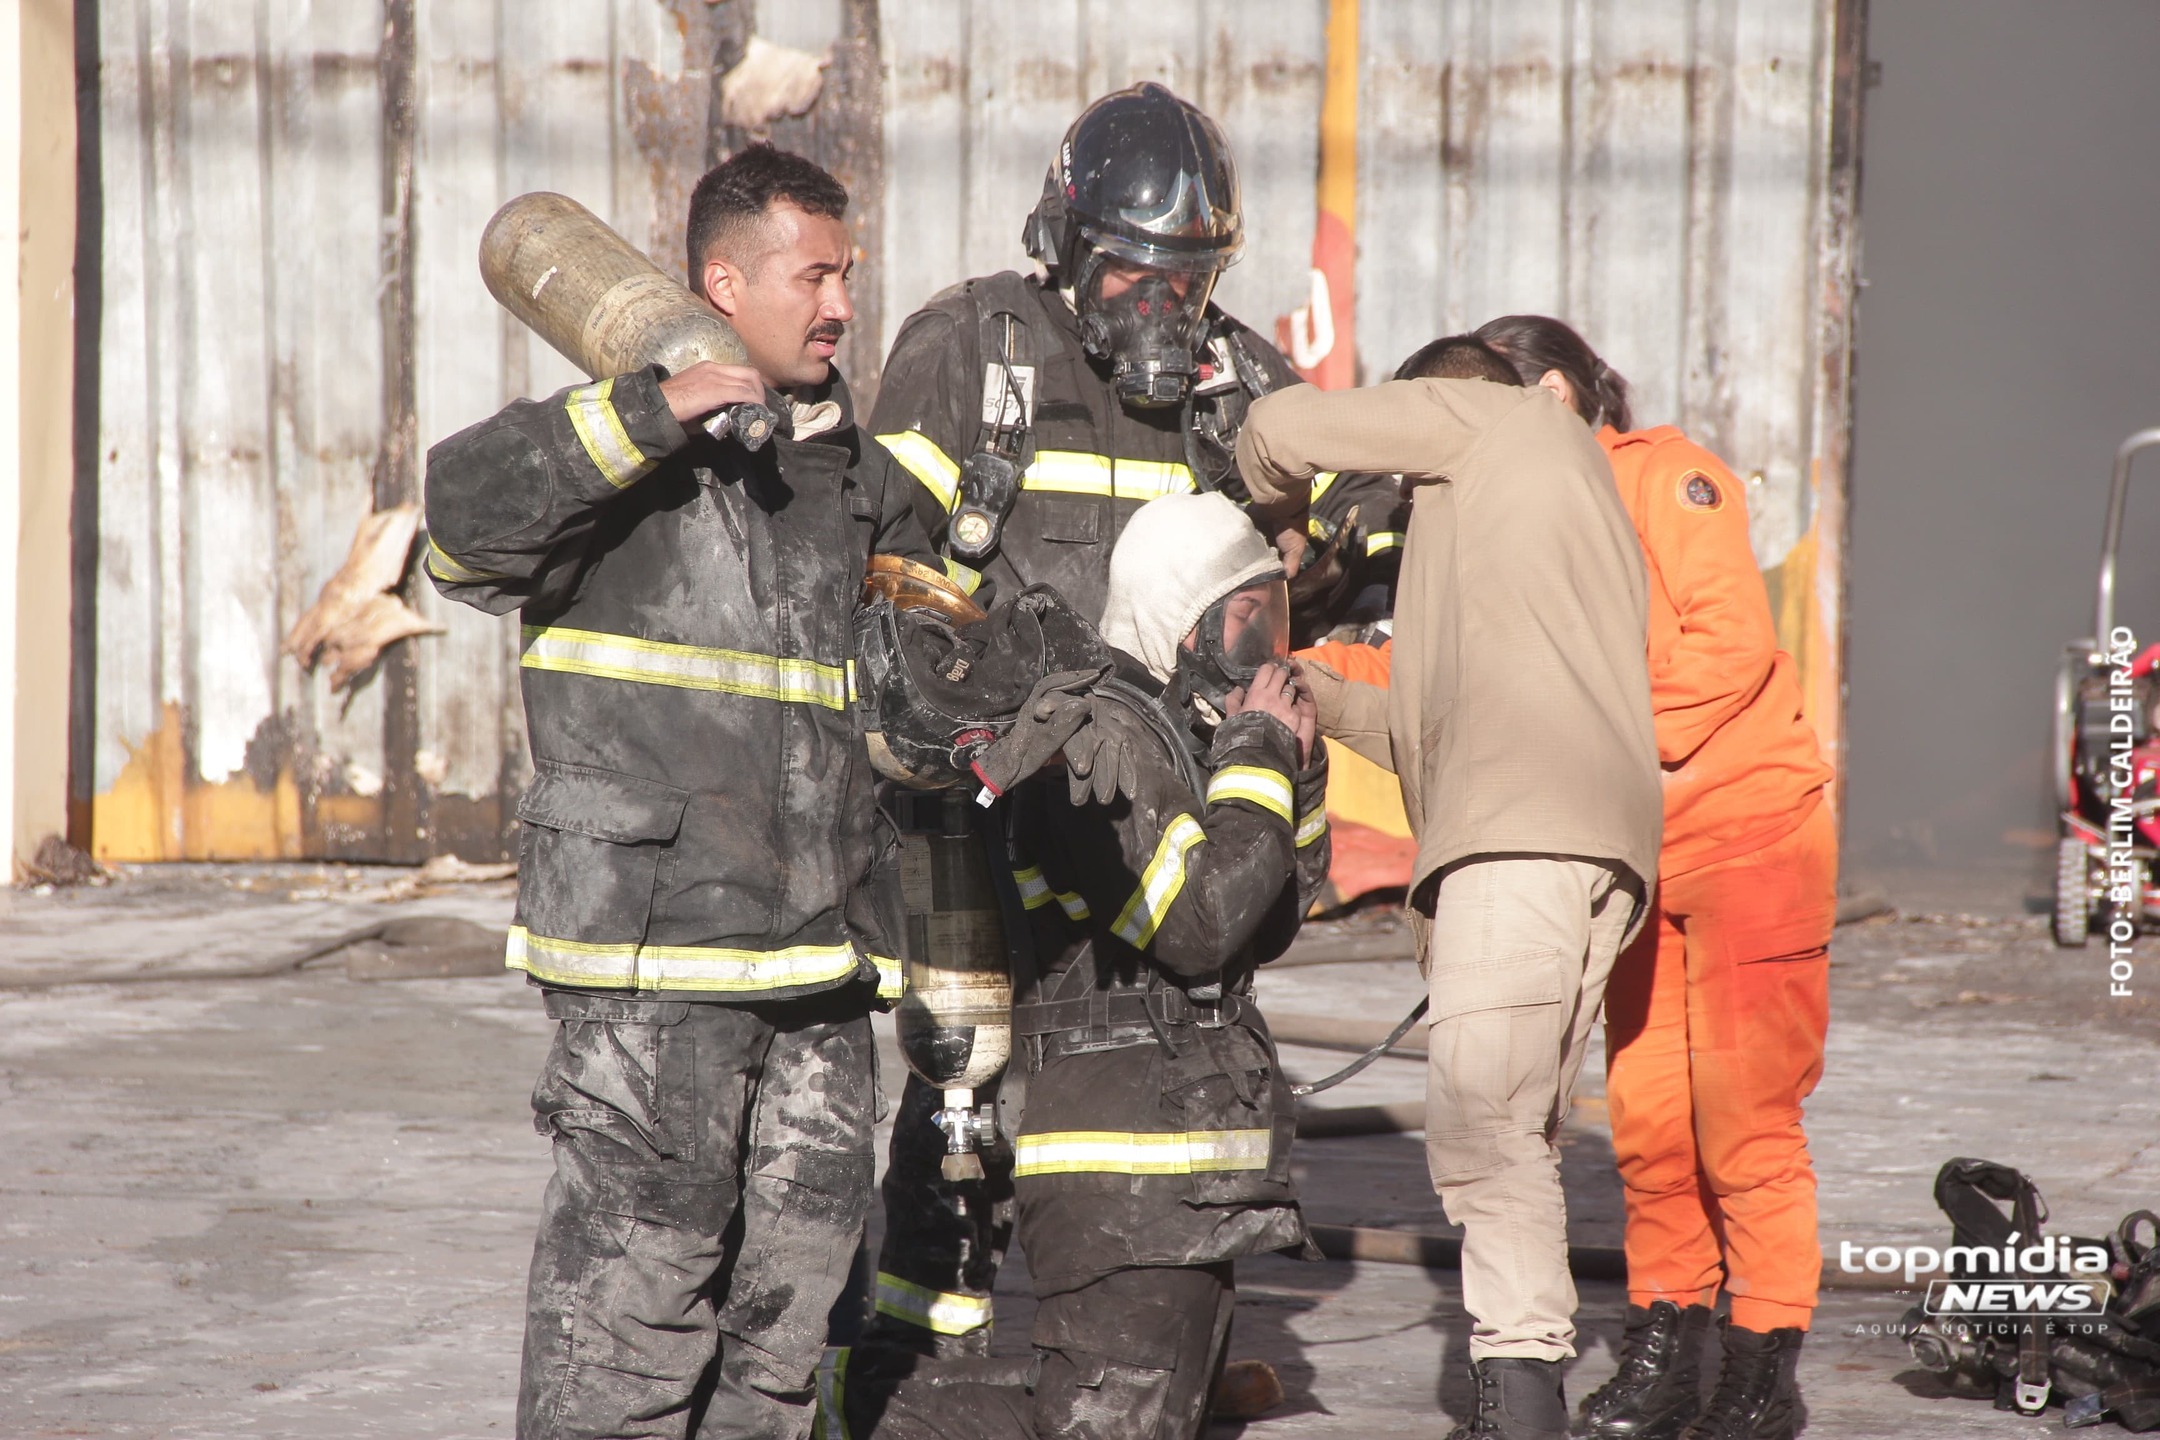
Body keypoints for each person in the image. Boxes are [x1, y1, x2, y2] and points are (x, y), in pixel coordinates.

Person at [856, 81, 1392, 1374]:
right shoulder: (973, 350)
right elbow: (879, 575)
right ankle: (920, 1381)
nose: (1162, 307)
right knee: (961, 1092)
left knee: (1159, 1091)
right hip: (986, 808)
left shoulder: (1238, 384)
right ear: (1066, 245)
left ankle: (1141, 1363)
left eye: (1188, 278)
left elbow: (1317, 552)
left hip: (1155, 817)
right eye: (1131, 275)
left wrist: (1369, 525)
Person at [424, 144, 940, 1440]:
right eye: (813, 277)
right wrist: (649, 415)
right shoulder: (618, 455)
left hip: (821, 976)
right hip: (653, 968)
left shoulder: (858, 480)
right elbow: (461, 529)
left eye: (847, 276)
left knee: (787, 1335)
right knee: (629, 1336)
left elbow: (922, 698)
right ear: (723, 283)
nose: (841, 305)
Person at [831, 492, 1330, 1440]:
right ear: (1180, 621)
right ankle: (841, 1410)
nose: (1266, 649)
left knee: (1139, 1416)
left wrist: (1292, 775)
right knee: (1102, 1421)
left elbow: (1262, 925)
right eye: (1243, 620)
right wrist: (1260, 752)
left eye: (1273, 616)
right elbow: (1200, 926)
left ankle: (846, 1406)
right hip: (1127, 1164)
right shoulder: (1102, 740)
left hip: (1190, 1164)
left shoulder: (1184, 737)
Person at [1234, 337, 1663, 1440]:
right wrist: (1308, 690)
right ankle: (1518, 1390)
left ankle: (1519, 1406)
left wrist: (1280, 536)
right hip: (1592, 852)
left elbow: (1276, 428)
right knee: (1520, 1126)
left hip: (1520, 844)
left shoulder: (1496, 423)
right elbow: (1432, 724)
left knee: (1484, 1133)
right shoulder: (1567, 504)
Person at [1475, 315, 1837, 1440]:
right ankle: (1667, 1353)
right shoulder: (1526, 513)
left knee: (1746, 1126)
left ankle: (1761, 1371)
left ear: (1552, 394)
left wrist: (1593, 728)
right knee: (1649, 1124)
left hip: (1752, 839)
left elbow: (1728, 649)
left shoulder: (1670, 479)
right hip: (1638, 851)